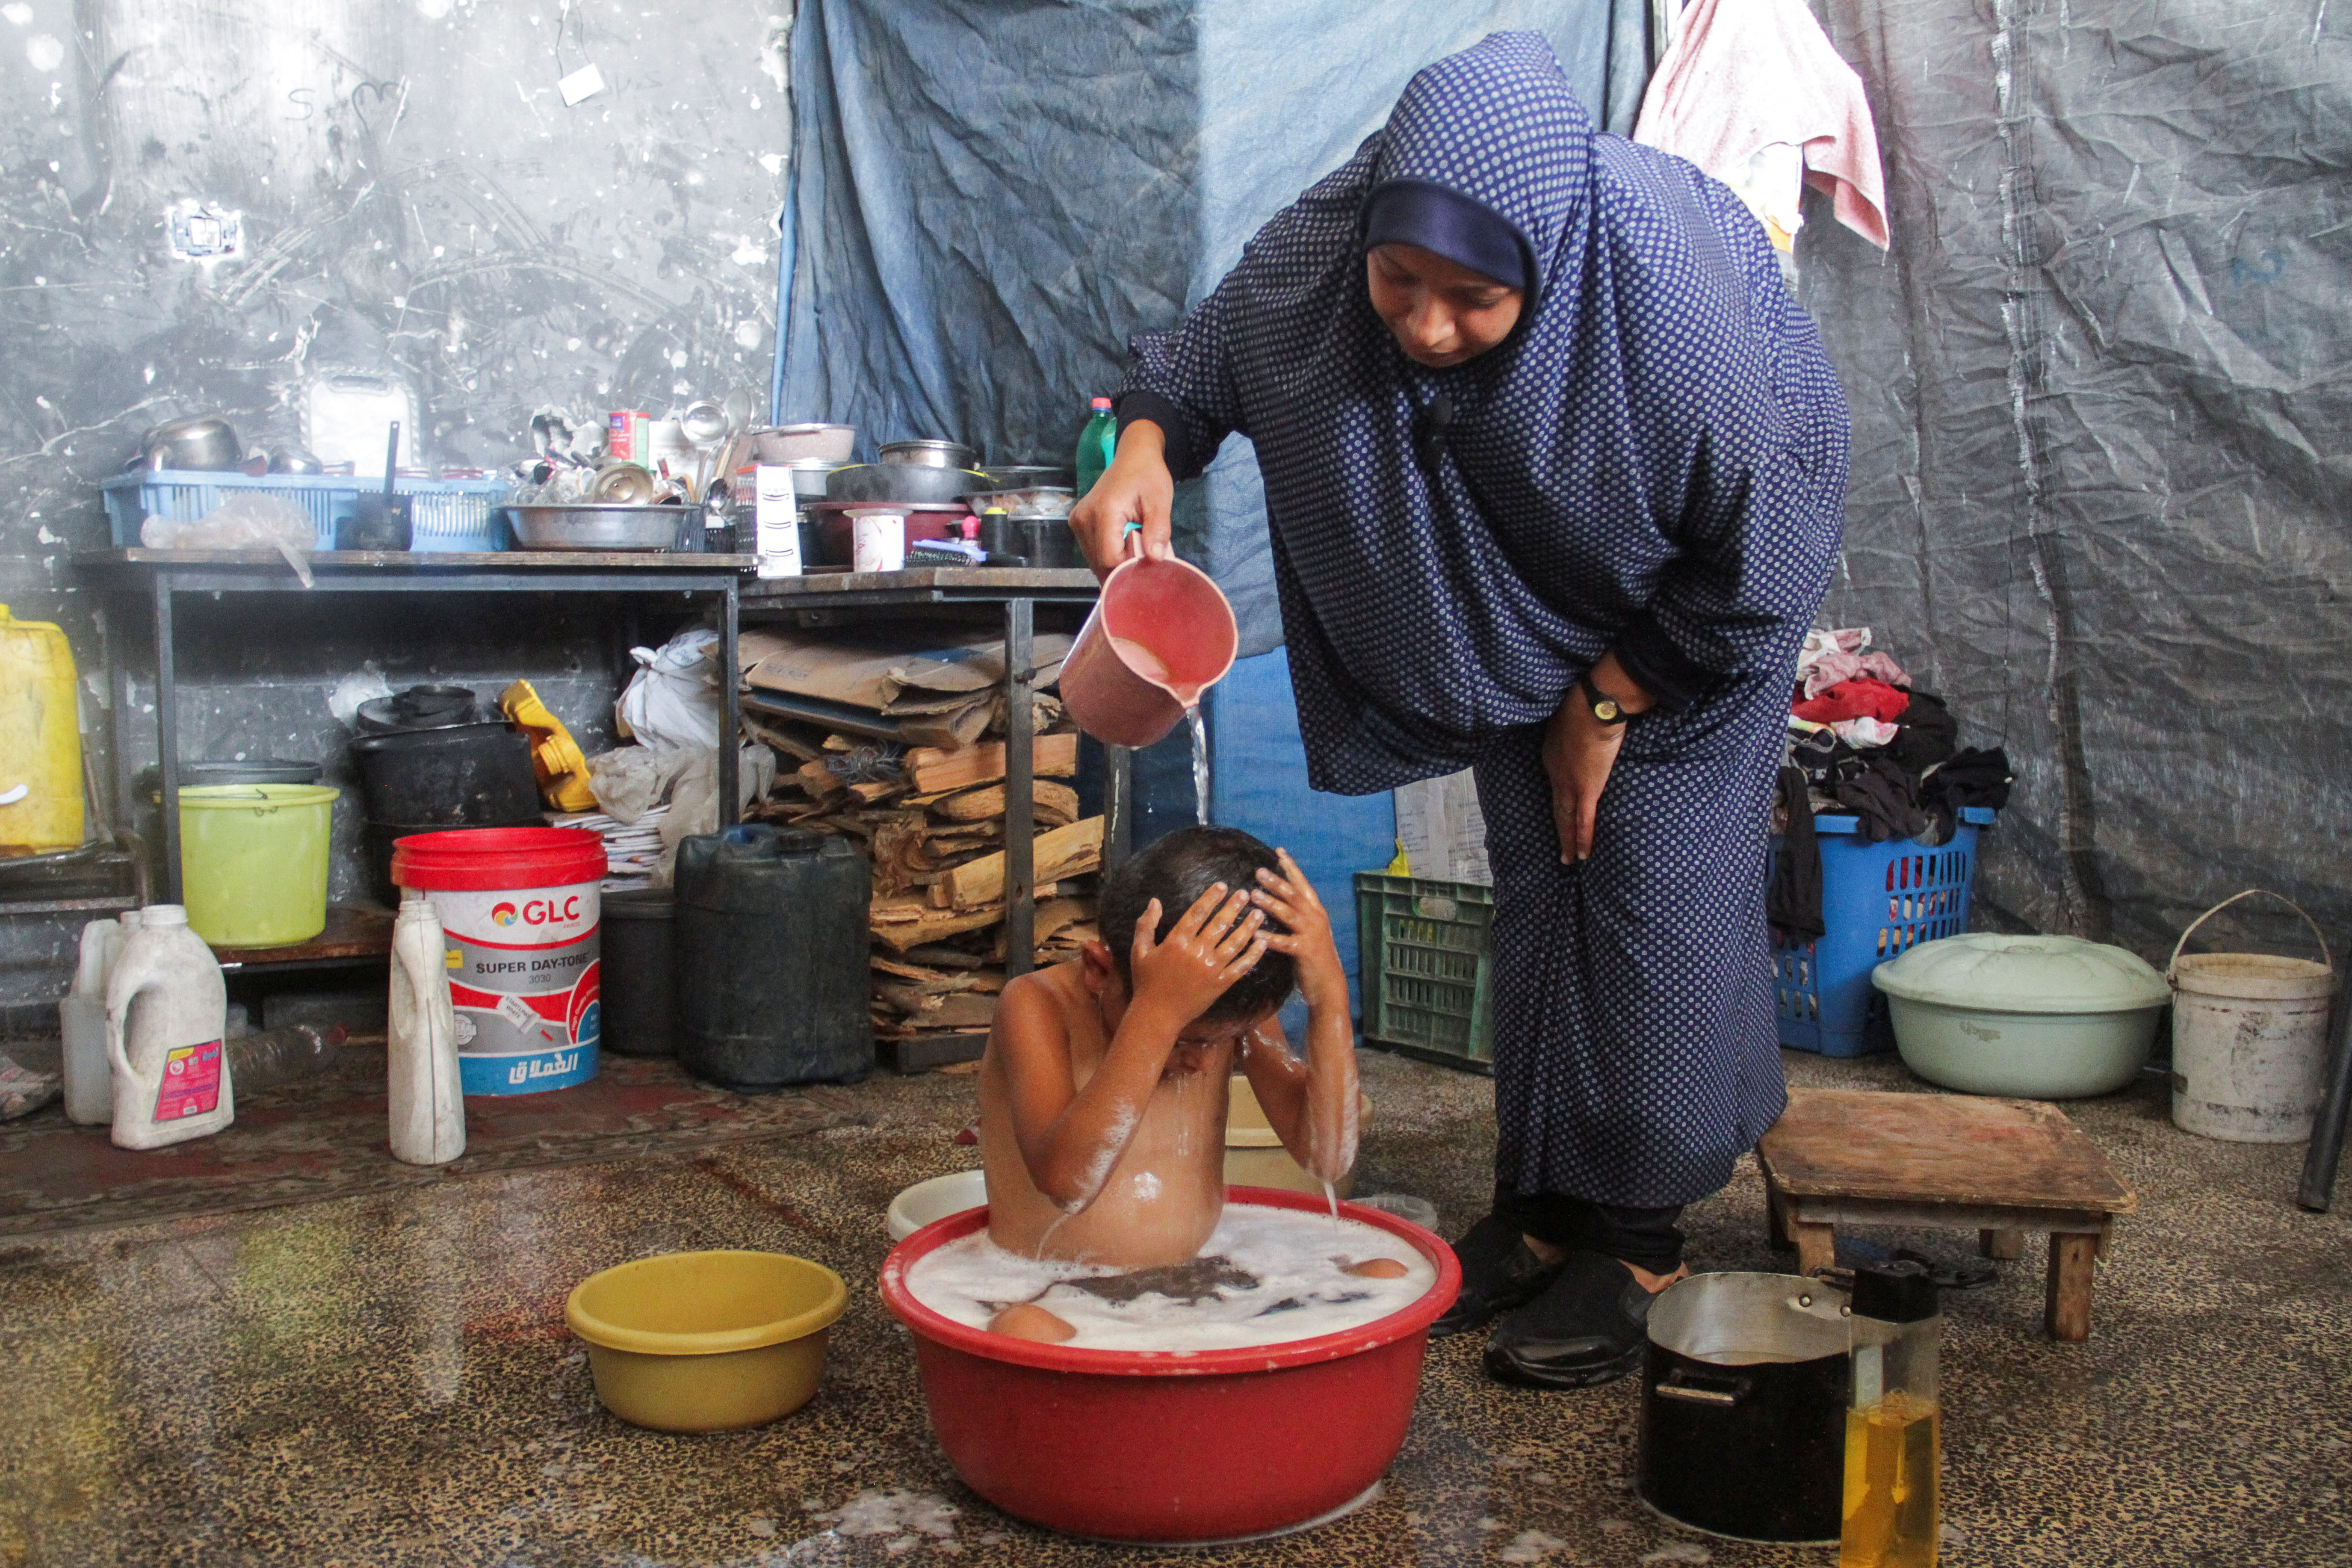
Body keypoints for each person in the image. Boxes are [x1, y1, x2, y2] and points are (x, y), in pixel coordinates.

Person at [1070, 33, 1846, 1388]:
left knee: (1648, 892)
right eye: (1400, 283)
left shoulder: (1663, 298)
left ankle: (1638, 1238)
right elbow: (1205, 353)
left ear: (1545, 258)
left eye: (1475, 299)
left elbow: (1770, 542)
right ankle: (1542, 1206)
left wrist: (1609, 697)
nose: (1426, 328)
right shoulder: (1337, 238)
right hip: (1522, 602)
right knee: (1541, 888)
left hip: (1694, 619)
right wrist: (1142, 444)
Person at [978, 826, 1360, 1281]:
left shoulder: (1226, 1007)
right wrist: (1157, 1016)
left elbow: (1326, 1158)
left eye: (1219, 1041)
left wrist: (1330, 998)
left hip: (1189, 1283)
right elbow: (1065, 1184)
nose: (1204, 1062)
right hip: (1047, 1284)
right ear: (1099, 969)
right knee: (1027, 1323)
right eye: (1185, 1040)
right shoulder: (1036, 1005)